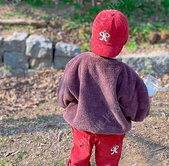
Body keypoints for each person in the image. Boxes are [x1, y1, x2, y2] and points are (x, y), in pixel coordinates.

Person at [57, 10, 150, 166]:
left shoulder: (78, 63)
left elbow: (63, 96)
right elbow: (137, 110)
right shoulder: (125, 74)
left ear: (93, 35)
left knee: (79, 159)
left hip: (82, 126)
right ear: (125, 41)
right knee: (108, 163)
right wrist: (145, 101)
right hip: (111, 132)